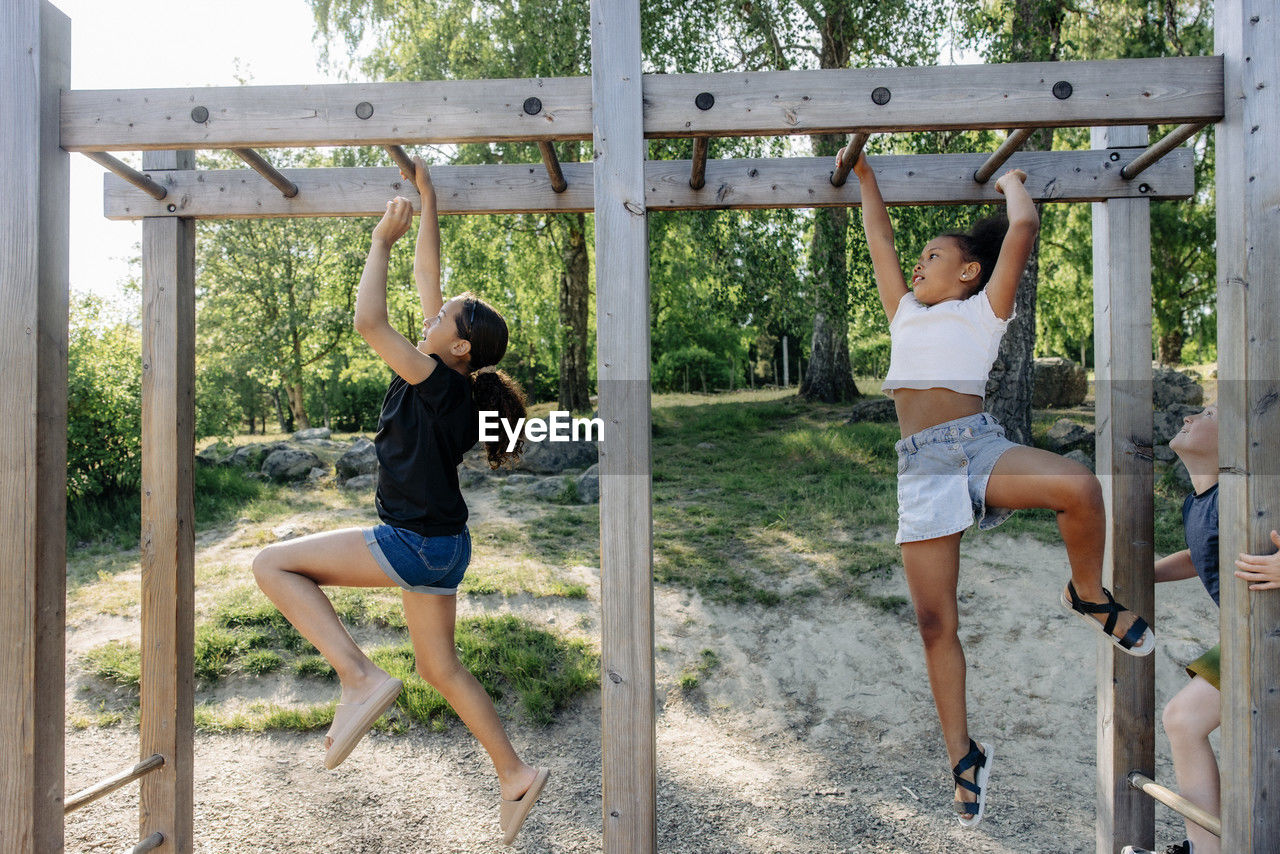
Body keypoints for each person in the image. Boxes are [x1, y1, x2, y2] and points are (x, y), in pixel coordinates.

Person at [848, 148, 1154, 827]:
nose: (919, 264)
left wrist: (1013, 181)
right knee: (935, 623)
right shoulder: (903, 312)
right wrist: (867, 180)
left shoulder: (985, 311)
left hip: (978, 446)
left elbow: (1021, 230)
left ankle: (1089, 592)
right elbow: (879, 238)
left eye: (935, 256)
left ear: (969, 272)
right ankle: (964, 754)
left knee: (1078, 486)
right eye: (920, 256)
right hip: (922, 466)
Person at [251, 157, 548, 846]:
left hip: (414, 541)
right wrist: (428, 200)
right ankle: (514, 775)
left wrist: (379, 241)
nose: (434, 310)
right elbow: (430, 278)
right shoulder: (454, 384)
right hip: (445, 547)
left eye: (444, 315)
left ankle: (357, 676)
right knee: (440, 668)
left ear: (460, 346)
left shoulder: (433, 380)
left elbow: (368, 321)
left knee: (273, 566)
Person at [1122, 406, 1280, 854]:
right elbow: (1200, 554)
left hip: (1267, 633)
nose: (1190, 414)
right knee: (1183, 719)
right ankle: (1206, 849)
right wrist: (1142, 574)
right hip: (1246, 636)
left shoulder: (1252, 494)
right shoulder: (1200, 501)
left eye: (1210, 411)